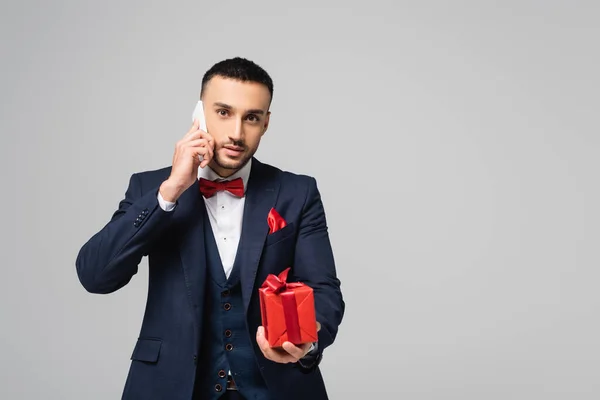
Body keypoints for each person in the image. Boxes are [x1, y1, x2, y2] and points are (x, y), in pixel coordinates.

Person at [75, 57, 345, 400]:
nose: (236, 132)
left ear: (266, 124)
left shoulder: (297, 192)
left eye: (251, 118)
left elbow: (324, 289)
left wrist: (307, 341)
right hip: (171, 388)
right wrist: (169, 191)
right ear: (198, 114)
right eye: (223, 112)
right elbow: (95, 275)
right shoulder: (151, 188)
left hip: (277, 389)